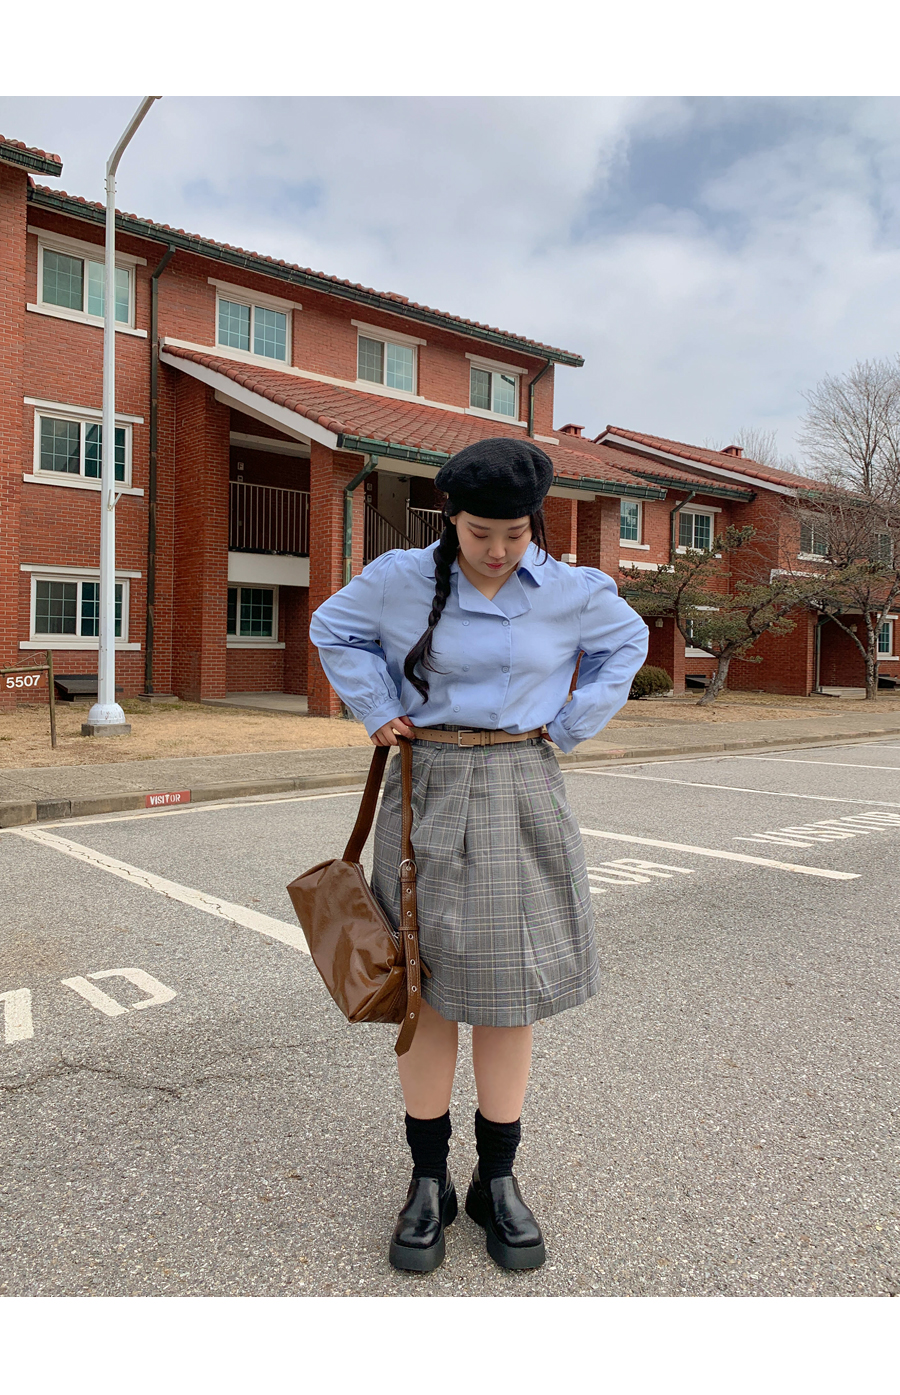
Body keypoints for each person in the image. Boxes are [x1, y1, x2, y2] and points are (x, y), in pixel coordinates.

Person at [309, 437, 648, 1273]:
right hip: (424, 783)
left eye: (515, 534)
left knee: (508, 993)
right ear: (450, 519)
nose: (498, 551)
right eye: (480, 533)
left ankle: (498, 1180)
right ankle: (427, 1180)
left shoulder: (573, 591)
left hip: (522, 783)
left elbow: (627, 644)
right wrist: (376, 705)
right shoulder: (398, 577)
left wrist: (572, 722)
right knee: (421, 992)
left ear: (536, 524)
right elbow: (332, 627)